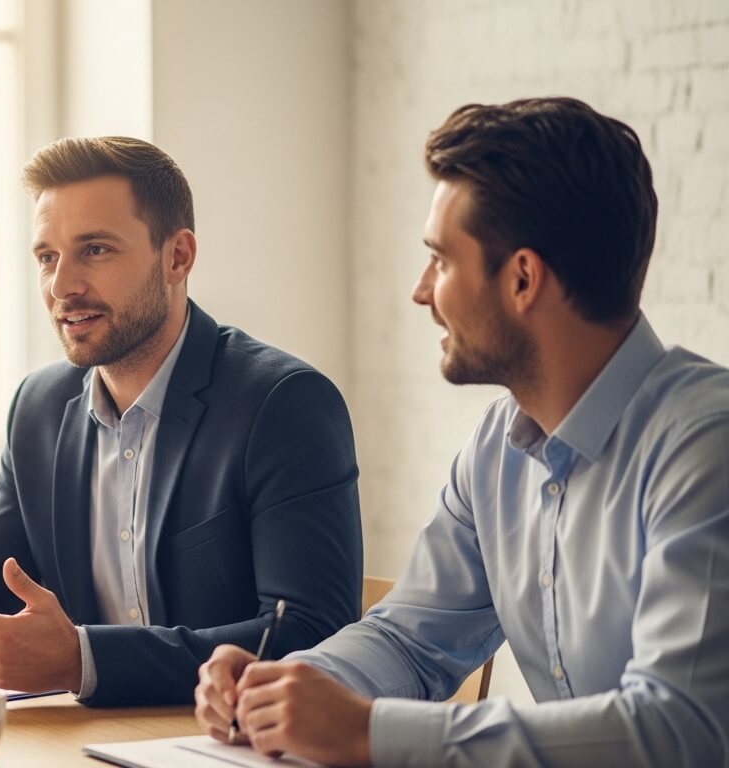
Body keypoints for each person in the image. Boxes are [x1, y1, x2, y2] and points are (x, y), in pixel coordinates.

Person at [194, 97, 729, 767]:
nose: (422, 292)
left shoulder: (706, 447)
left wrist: (367, 734)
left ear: (523, 279)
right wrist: (287, 689)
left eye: (441, 261)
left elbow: (680, 730)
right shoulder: (498, 448)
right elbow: (410, 639)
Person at [0, 136, 363, 706]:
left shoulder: (283, 403)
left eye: (95, 250)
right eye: (47, 257)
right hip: (92, 744)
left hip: (229, 747)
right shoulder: (40, 407)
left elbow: (312, 635)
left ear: (177, 257)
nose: (61, 286)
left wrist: (84, 661)